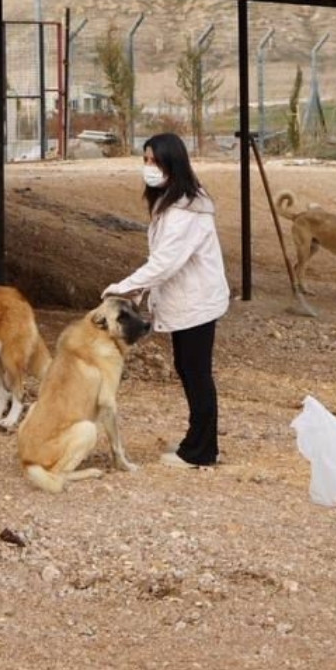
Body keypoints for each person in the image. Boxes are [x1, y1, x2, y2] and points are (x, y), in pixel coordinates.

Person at [102, 133, 231, 468]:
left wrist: (123, 288)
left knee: (195, 371)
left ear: (172, 164)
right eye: (145, 160)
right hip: (189, 300)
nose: (148, 167)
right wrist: (137, 289)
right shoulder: (174, 202)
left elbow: (164, 263)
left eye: (154, 161)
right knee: (188, 369)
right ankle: (198, 439)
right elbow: (164, 260)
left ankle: (201, 452)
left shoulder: (185, 211)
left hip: (197, 302)